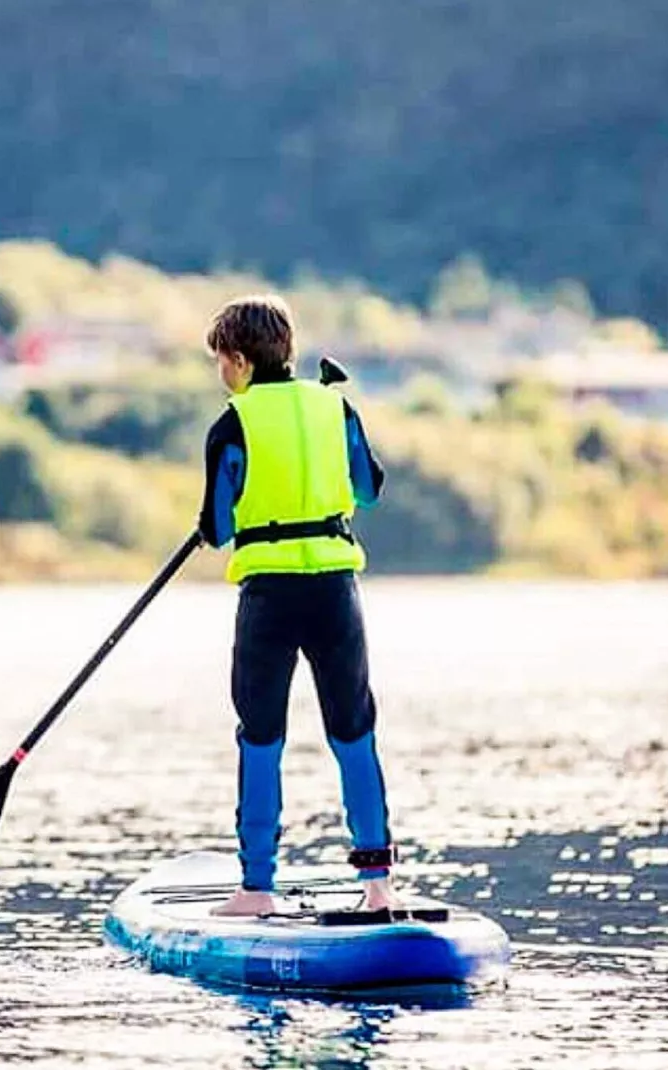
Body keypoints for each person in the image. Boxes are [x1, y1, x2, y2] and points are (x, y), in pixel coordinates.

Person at [197, 294, 399, 917]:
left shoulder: (232, 424)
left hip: (270, 599)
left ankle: (257, 888)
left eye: (219, 362)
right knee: (353, 729)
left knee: (262, 737)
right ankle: (378, 885)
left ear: (237, 360)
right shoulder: (336, 405)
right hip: (336, 591)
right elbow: (367, 490)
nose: (220, 374)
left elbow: (218, 527)